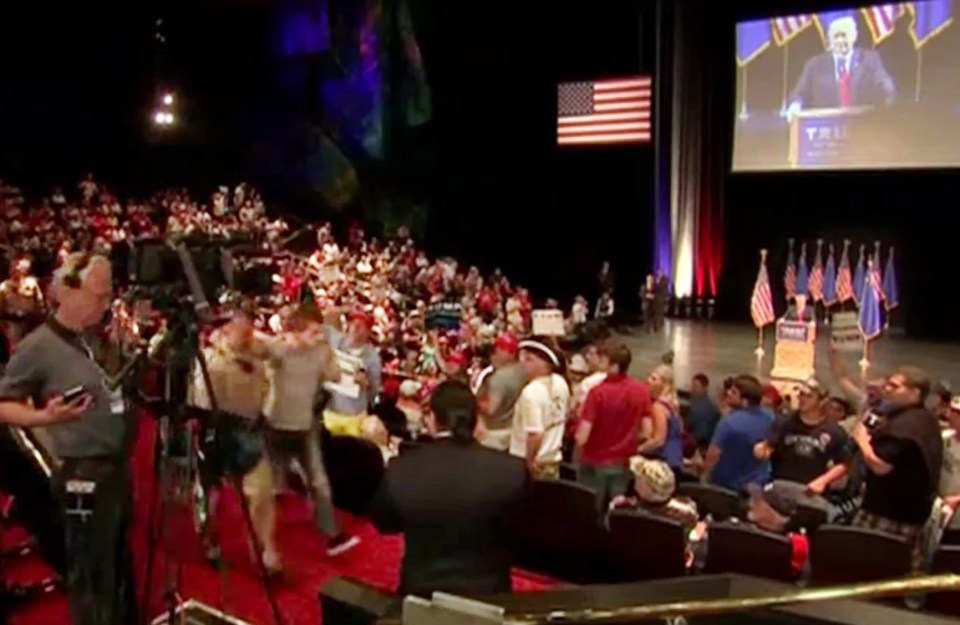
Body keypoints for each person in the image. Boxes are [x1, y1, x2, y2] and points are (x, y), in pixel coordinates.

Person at [0, 252, 137, 625]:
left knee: (118, 563)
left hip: (116, 469)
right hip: (82, 472)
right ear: (68, 293)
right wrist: (44, 416)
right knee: (91, 572)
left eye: (109, 295)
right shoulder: (38, 346)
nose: (105, 304)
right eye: (99, 295)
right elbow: (3, 403)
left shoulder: (95, 338)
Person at [369, 381, 529, 597]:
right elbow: (521, 533)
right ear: (476, 422)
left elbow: (385, 523)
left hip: (421, 591)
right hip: (490, 592)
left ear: (432, 420)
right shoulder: (513, 471)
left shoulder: (401, 468)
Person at [850, 367, 943, 572]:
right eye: (888, 384)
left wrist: (863, 441)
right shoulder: (922, 419)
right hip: (902, 510)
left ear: (915, 393)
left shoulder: (908, 426)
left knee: (869, 567)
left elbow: (881, 466)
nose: (887, 389)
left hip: (891, 515)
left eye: (895, 386)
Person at [575, 342, 650, 514]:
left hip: (594, 462)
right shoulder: (641, 391)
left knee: (591, 511)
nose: (598, 361)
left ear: (614, 366)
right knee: (616, 511)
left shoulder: (597, 393)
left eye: (602, 359)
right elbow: (647, 431)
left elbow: (582, 437)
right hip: (623, 463)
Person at [786, 16, 895, 117]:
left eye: (843, 35)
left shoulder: (869, 60)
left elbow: (885, 85)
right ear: (829, 40)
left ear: (854, 36)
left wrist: (887, 95)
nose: (840, 41)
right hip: (827, 127)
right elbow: (798, 94)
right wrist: (795, 106)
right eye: (836, 36)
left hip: (861, 126)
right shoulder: (814, 65)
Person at [702, 375, 774, 493]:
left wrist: (705, 474)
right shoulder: (770, 417)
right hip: (758, 483)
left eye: (734, 392)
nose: (729, 393)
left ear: (745, 401)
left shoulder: (728, 423)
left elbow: (714, 453)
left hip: (728, 485)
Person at [509, 339, 570, 479]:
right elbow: (566, 413)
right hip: (553, 457)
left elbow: (535, 433)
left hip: (534, 461)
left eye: (529, 359)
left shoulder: (531, 392)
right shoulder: (560, 382)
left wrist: (529, 461)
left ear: (543, 364)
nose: (522, 362)